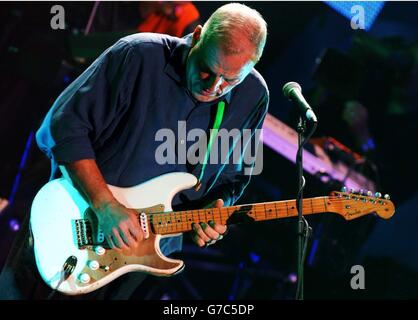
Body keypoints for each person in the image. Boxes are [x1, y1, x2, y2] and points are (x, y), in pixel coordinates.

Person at [0, 3, 269, 299]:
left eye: (230, 80)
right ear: (197, 35)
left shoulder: (254, 97)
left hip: (146, 256)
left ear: (251, 66)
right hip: (74, 221)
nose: (213, 86)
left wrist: (214, 211)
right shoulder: (139, 55)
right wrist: (104, 203)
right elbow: (64, 128)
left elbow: (232, 177)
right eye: (206, 70)